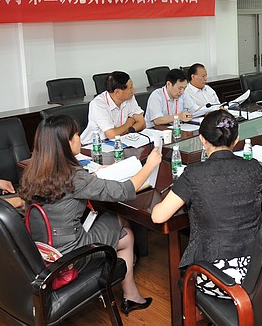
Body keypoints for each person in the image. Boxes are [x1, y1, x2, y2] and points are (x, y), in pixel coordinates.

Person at [19, 115, 161, 316]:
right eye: (77, 134)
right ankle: (128, 295)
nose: (79, 138)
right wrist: (149, 165)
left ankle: (130, 294)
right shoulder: (73, 176)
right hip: (69, 256)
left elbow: (69, 188)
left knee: (125, 234)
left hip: (41, 249)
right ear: (67, 142)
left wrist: (92, 177)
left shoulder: (34, 172)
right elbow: (124, 190)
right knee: (120, 225)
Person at [151, 110, 262, 299]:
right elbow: (258, 200)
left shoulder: (193, 173)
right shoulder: (254, 167)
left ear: (202, 140)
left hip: (217, 277)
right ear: (236, 139)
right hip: (261, 268)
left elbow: (158, 216)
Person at [80, 71, 145, 144]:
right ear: (117, 92)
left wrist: (129, 130)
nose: (134, 90)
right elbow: (112, 135)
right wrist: (129, 122)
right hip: (94, 145)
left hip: (120, 140)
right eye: (130, 88)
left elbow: (142, 123)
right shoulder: (98, 104)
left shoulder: (129, 98)